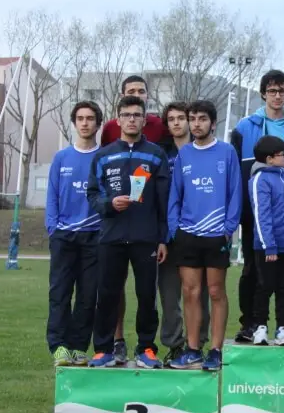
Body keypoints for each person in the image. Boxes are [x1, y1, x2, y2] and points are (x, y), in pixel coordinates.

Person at [86, 95, 170, 369]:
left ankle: (146, 348)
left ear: (144, 120)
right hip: (111, 236)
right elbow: (93, 195)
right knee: (108, 293)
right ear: (118, 119)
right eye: (126, 114)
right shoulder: (104, 155)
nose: (132, 119)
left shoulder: (156, 154)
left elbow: (163, 202)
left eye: (137, 115)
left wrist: (162, 238)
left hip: (145, 238)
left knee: (147, 294)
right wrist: (109, 204)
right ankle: (103, 349)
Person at [231, 69, 284, 344]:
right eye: (272, 90)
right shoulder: (245, 127)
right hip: (253, 210)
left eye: (282, 91)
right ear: (263, 93)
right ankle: (251, 324)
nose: (277, 96)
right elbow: (236, 170)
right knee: (254, 270)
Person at [168, 100, 242, 371]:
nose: (196, 124)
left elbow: (235, 192)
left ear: (213, 123)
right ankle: (192, 349)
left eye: (202, 119)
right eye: (193, 119)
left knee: (215, 291)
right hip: (188, 233)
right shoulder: (184, 155)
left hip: (216, 235)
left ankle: (216, 349)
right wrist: (174, 227)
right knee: (190, 292)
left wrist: (228, 229)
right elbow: (175, 194)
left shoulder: (226, 152)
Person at [45, 100, 104, 367]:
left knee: (87, 295)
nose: (84, 123)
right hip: (64, 236)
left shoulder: (104, 158)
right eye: (80, 118)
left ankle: (80, 347)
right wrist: (53, 227)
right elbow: (53, 196)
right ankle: (59, 346)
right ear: (74, 122)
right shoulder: (61, 158)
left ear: (97, 123)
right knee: (60, 293)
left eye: (90, 118)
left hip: (94, 236)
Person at [158, 101, 211, 364]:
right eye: (172, 119)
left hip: (199, 232)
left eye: (182, 118)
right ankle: (174, 343)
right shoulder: (160, 154)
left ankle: (198, 341)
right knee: (169, 294)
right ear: (166, 125)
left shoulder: (203, 151)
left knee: (198, 292)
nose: (177, 123)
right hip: (168, 234)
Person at [249, 135, 284, 346]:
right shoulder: (260, 180)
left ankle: (282, 329)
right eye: (282, 155)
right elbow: (262, 215)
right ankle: (260, 327)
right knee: (264, 286)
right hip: (267, 247)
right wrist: (268, 244)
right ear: (270, 159)